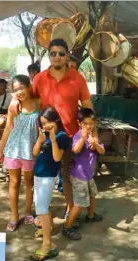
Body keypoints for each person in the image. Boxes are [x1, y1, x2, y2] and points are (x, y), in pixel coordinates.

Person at [31, 38, 95, 223]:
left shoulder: (77, 78)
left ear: (67, 56)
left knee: (67, 177)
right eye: (53, 53)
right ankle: (43, 214)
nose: (57, 57)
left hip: (70, 137)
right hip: (46, 137)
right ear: (49, 56)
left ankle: (69, 210)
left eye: (61, 53)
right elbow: (33, 103)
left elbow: (87, 105)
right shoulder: (40, 79)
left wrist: (92, 132)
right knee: (45, 176)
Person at [0, 75, 39, 231]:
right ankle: (14, 216)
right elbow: (8, 128)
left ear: (29, 86)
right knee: (14, 183)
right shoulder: (13, 107)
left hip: (30, 151)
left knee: (29, 183)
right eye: (15, 90)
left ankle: (28, 212)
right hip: (13, 150)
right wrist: (0, 149)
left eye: (21, 87)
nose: (19, 92)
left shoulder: (38, 104)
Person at [30, 106, 69, 261]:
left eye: (47, 123)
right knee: (40, 205)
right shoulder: (44, 135)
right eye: (43, 123)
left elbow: (57, 158)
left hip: (47, 177)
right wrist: (39, 141)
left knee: (41, 209)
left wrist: (52, 140)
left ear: (56, 120)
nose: (45, 126)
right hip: (38, 174)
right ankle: (49, 227)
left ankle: (48, 244)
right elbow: (34, 153)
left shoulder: (61, 136)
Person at [62, 108, 105, 240]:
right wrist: (83, 139)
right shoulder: (78, 135)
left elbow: (102, 151)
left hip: (88, 174)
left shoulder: (95, 136)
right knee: (80, 202)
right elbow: (75, 150)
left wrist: (95, 144)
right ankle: (67, 227)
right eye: (85, 123)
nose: (88, 126)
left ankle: (90, 215)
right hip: (79, 175)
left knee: (92, 194)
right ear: (79, 123)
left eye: (91, 123)